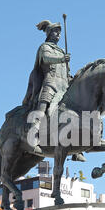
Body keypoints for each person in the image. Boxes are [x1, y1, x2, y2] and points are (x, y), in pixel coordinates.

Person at [23, 20, 86, 162]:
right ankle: (33, 135)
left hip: (64, 86)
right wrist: (62, 58)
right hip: (51, 83)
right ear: (49, 33)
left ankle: (78, 148)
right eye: (55, 31)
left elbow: (66, 71)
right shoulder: (45, 47)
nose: (58, 34)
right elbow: (46, 58)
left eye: (59, 32)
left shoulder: (61, 51)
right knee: (43, 106)